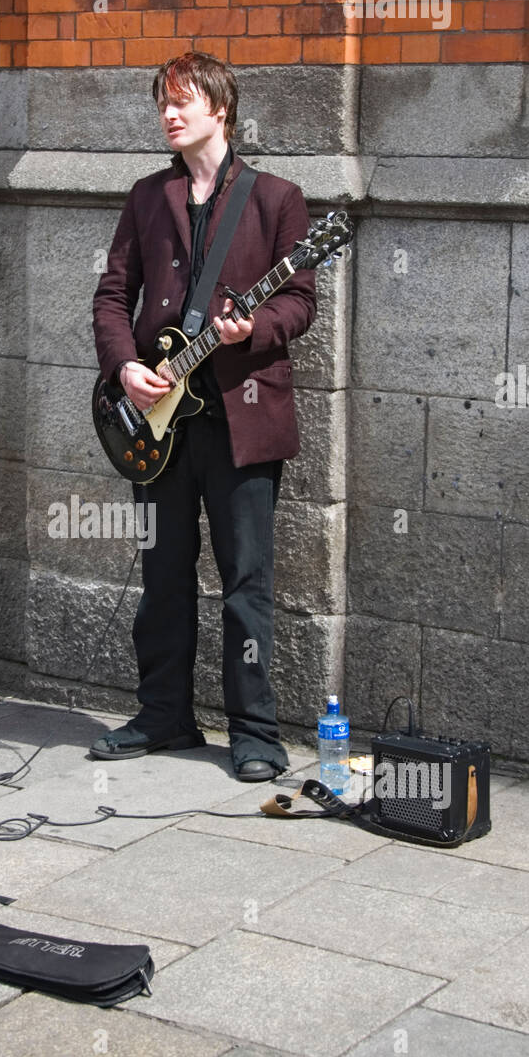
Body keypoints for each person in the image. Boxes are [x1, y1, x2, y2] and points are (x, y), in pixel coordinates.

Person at [90, 52, 316, 782]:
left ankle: (253, 731)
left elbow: (299, 300)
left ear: (220, 108)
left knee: (245, 580)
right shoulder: (146, 197)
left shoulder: (275, 199)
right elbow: (111, 297)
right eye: (162, 102)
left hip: (241, 419)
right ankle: (163, 716)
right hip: (158, 419)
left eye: (182, 101)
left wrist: (252, 329)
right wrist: (125, 368)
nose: (168, 114)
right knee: (162, 574)